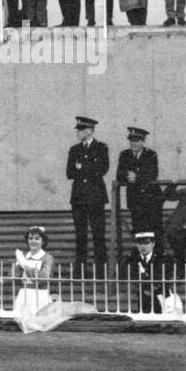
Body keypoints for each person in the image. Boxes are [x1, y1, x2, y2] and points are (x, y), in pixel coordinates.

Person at [11, 226, 97, 332]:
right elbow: (13, 278)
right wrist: (18, 266)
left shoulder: (47, 258)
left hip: (39, 294)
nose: (33, 241)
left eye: (37, 239)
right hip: (24, 294)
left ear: (43, 242)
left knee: (37, 321)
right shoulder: (24, 256)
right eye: (30, 238)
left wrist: (25, 265)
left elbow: (43, 279)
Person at [67, 116, 109, 271]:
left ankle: (100, 270)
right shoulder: (74, 149)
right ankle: (80, 270)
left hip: (96, 197)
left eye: (81, 130)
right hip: (78, 198)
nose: (78, 133)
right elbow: (70, 172)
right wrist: (89, 167)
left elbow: (103, 169)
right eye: (78, 129)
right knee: (80, 235)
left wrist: (82, 167)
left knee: (98, 235)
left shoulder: (101, 148)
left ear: (90, 131)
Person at [116, 126, 162, 238]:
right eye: (131, 141)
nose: (133, 144)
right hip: (134, 198)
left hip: (151, 198)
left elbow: (153, 174)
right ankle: (142, 254)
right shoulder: (124, 154)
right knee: (138, 228)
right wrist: (128, 177)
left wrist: (137, 177)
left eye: (136, 141)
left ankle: (156, 254)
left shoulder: (151, 154)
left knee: (153, 228)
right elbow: (119, 174)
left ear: (143, 141)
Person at [122, 230, 175, 315]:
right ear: (136, 244)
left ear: (153, 244)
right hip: (141, 296)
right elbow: (130, 277)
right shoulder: (131, 259)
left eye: (146, 243)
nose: (143, 246)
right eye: (140, 243)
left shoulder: (163, 258)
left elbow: (164, 277)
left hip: (160, 296)